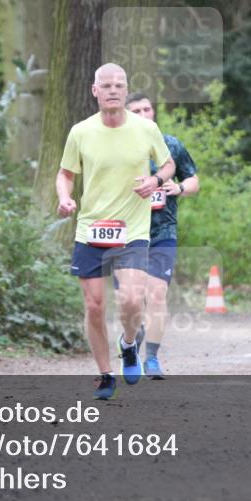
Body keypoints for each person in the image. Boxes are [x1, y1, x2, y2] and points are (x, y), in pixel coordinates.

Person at [56, 64, 174, 399]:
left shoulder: (146, 129)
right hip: (91, 228)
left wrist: (155, 180)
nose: (112, 90)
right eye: (106, 85)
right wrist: (65, 198)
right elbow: (65, 174)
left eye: (119, 85)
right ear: (94, 90)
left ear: (126, 90)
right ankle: (105, 374)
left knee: (132, 299)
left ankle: (128, 344)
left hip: (132, 228)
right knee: (94, 305)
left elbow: (168, 165)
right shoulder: (81, 132)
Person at [125, 92, 199, 379]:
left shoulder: (170, 145)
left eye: (147, 109)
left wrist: (179, 188)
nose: (144, 115)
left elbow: (193, 179)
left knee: (156, 294)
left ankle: (152, 358)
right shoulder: (117, 148)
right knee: (133, 298)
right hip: (128, 232)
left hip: (162, 231)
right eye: (137, 111)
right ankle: (132, 339)